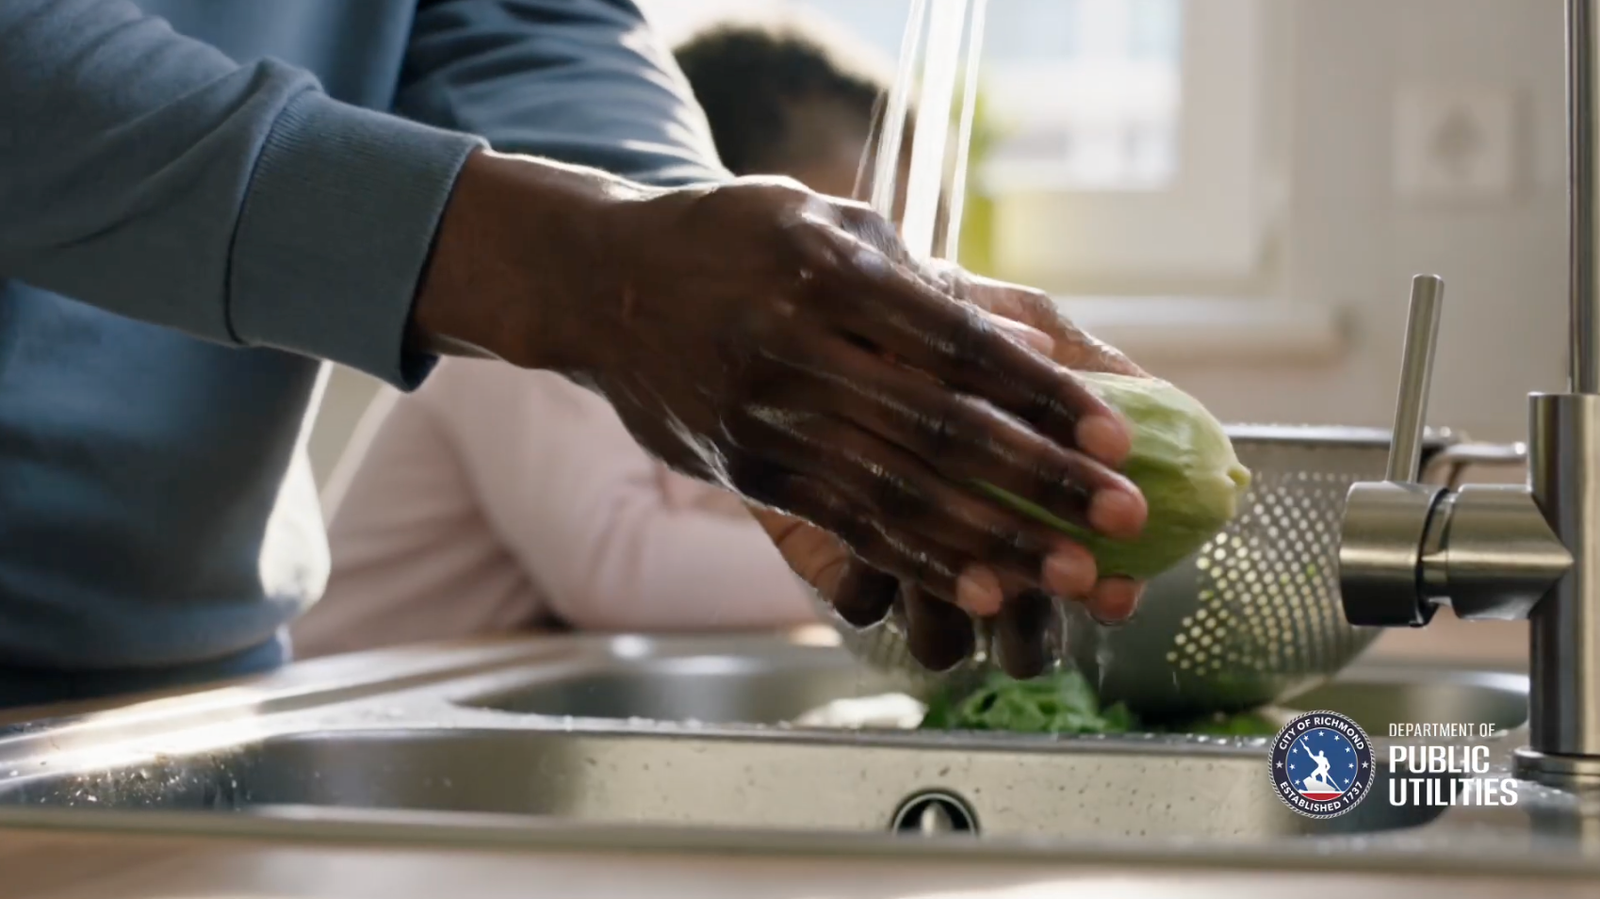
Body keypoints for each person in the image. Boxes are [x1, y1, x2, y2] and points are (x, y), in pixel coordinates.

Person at [0, 0, 1148, 708]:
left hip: (196, 670)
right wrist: (594, 266)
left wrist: (687, 234)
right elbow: (611, 560)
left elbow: (518, 18)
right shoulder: (521, 340)